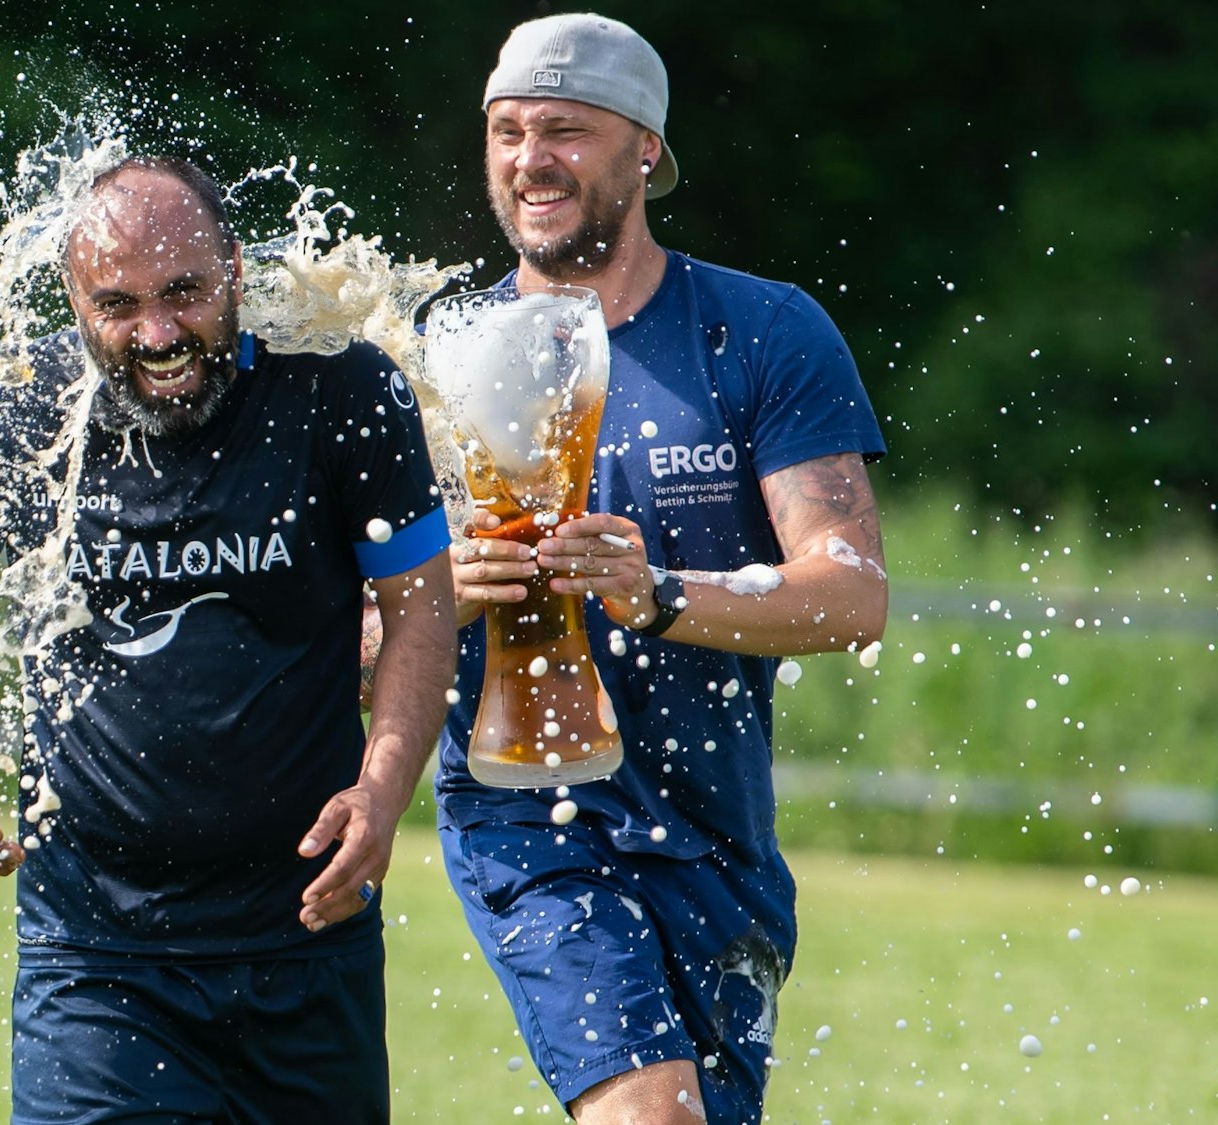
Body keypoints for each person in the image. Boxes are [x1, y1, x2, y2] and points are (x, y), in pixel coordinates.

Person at [0, 155, 456, 1124]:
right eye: (116, 305)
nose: (157, 336)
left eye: (183, 293)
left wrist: (384, 782)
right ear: (72, 300)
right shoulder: (12, 407)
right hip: (95, 953)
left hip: (303, 936)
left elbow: (421, 606)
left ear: (235, 269)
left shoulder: (337, 388)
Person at [433, 14, 889, 1124]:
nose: (527, 158)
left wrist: (662, 596)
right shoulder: (438, 348)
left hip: (713, 829)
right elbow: (349, 619)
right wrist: (444, 588)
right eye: (505, 131)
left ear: (643, 147)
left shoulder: (762, 331)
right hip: (526, 814)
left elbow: (850, 591)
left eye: (564, 131)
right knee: (651, 1115)